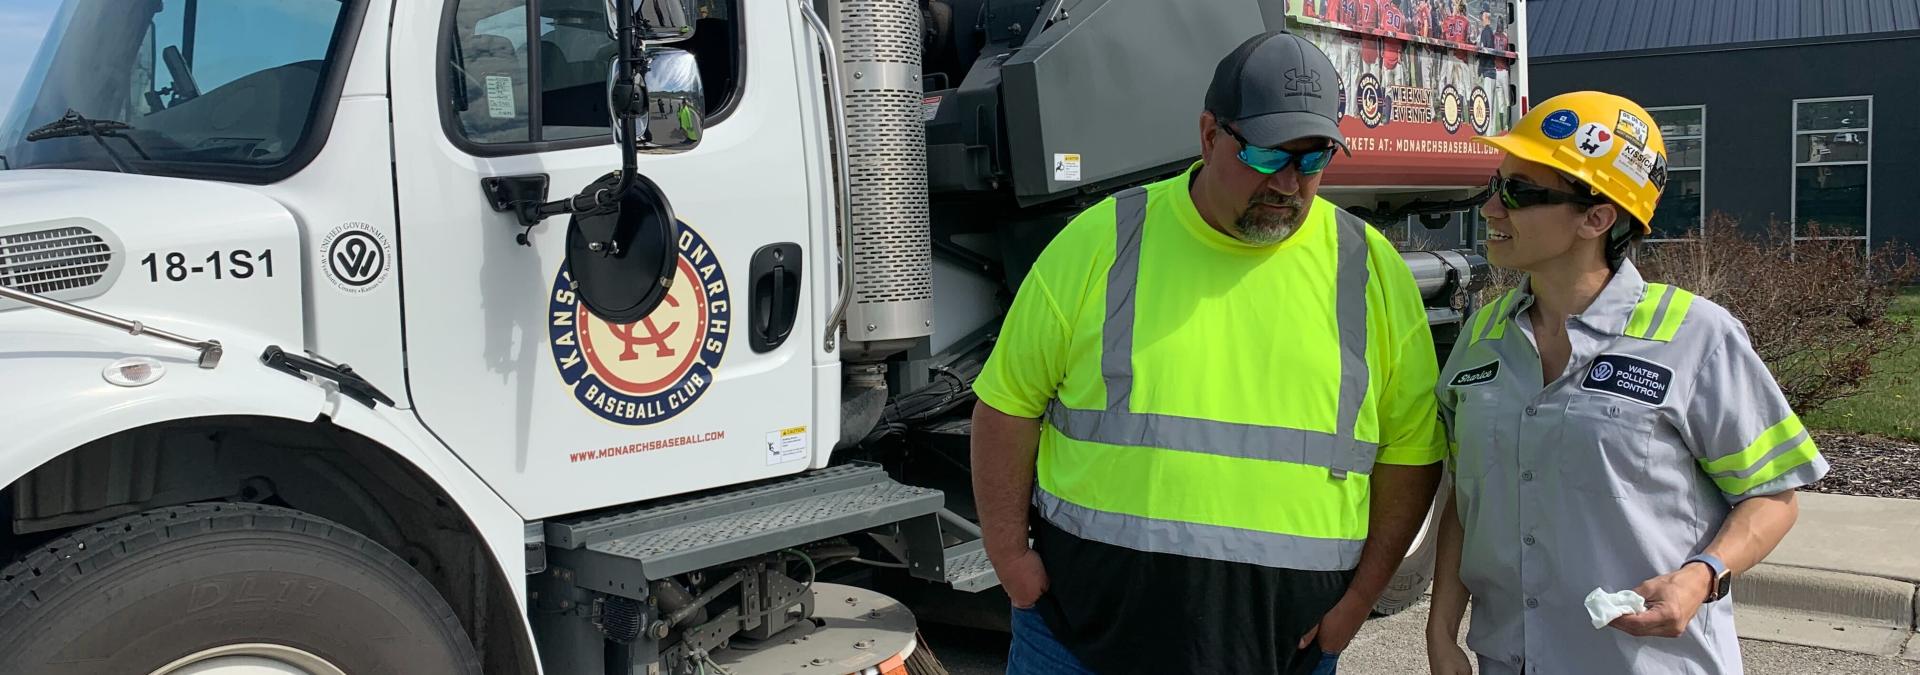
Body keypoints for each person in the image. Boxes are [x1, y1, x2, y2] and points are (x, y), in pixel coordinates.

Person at [970, 29, 1447, 675]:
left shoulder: (1372, 272)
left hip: (1282, 654)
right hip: (1080, 645)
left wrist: (1360, 600)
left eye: (1313, 160)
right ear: (1208, 135)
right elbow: (1008, 405)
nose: (1288, 182)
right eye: (1268, 154)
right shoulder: (1103, 242)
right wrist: (1009, 558)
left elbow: (1410, 452)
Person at [1424, 91, 1829, 674]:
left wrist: (1701, 577)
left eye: (1518, 194)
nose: (1491, 209)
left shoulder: (1696, 336)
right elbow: (1467, 498)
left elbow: (1773, 495)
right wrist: (1441, 632)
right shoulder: (1482, 336)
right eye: (1495, 185)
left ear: (1597, 217)